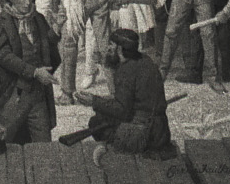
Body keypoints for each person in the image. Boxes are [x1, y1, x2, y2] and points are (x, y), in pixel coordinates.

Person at [0, 0, 61, 149]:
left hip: (38, 97)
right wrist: (35, 72)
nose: (28, 2)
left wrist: (57, 29)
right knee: (2, 145)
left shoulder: (38, 19)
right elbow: (3, 56)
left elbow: (46, 48)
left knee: (44, 148)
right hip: (13, 95)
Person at [66, 26, 173, 154]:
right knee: (103, 118)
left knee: (96, 123)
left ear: (120, 49)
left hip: (144, 135)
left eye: (111, 46)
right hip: (160, 131)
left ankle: (118, 155)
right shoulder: (146, 61)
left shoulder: (126, 70)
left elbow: (122, 111)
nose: (108, 49)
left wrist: (94, 101)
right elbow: (131, 100)